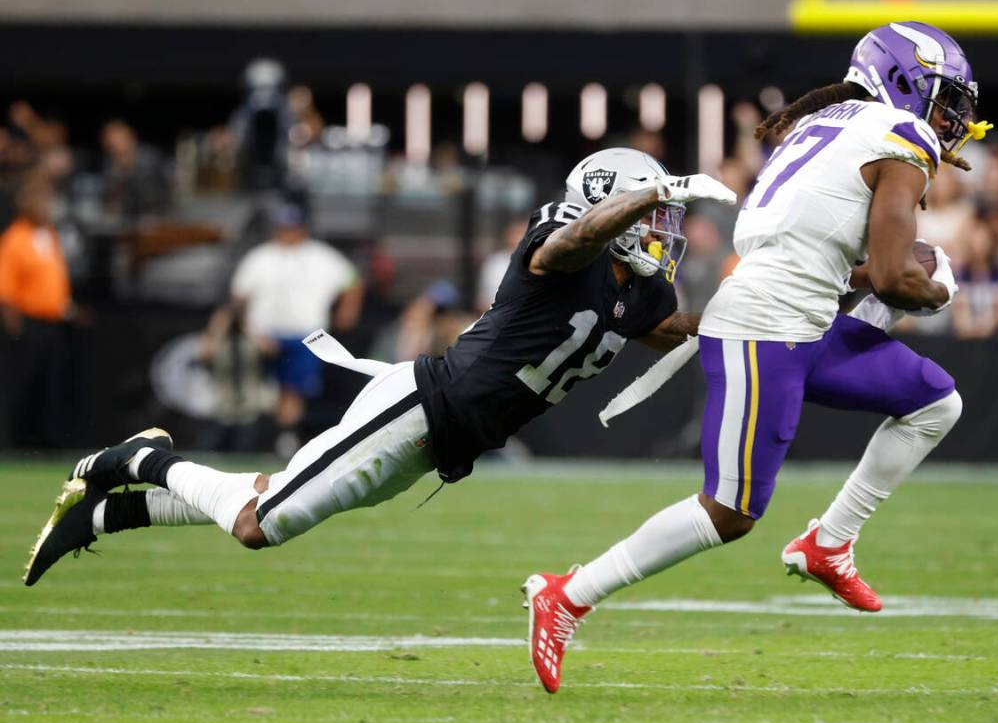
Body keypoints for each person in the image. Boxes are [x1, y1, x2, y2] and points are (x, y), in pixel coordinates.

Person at [22, 148, 737, 587]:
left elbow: (664, 330)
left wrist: (765, 311)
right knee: (258, 524)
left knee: (275, 499)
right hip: (424, 405)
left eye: (661, 219)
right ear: (609, 204)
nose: (659, 232)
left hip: (448, 441)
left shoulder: (644, 290)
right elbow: (574, 242)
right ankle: (141, 459)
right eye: (649, 217)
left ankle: (110, 515)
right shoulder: (559, 242)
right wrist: (648, 190)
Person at [524, 21, 982, 692]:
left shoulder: (828, 124)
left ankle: (828, 543)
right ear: (905, 82)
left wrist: (903, 282)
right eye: (945, 100)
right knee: (729, 511)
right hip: (765, 328)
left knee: (934, 400)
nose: (952, 120)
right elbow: (889, 279)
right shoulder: (899, 135)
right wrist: (935, 286)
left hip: (799, 315)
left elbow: (839, 268)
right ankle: (566, 595)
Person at [203, 196, 363, 455]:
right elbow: (238, 299)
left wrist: (348, 310)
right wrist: (225, 331)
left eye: (293, 228)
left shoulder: (320, 255)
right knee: (261, 390)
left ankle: (285, 438)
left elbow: (353, 279)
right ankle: (263, 438)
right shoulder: (261, 256)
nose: (288, 234)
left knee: (295, 390)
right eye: (283, 228)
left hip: (306, 335)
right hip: (264, 335)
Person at [0, 175, 76, 447]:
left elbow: (54, 280)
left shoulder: (49, 236)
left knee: (51, 387)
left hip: (53, 323)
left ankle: (46, 445)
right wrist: (15, 332)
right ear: (26, 205)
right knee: (24, 385)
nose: (48, 206)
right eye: (42, 200)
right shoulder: (15, 239)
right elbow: (6, 291)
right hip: (27, 324)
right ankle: (17, 445)